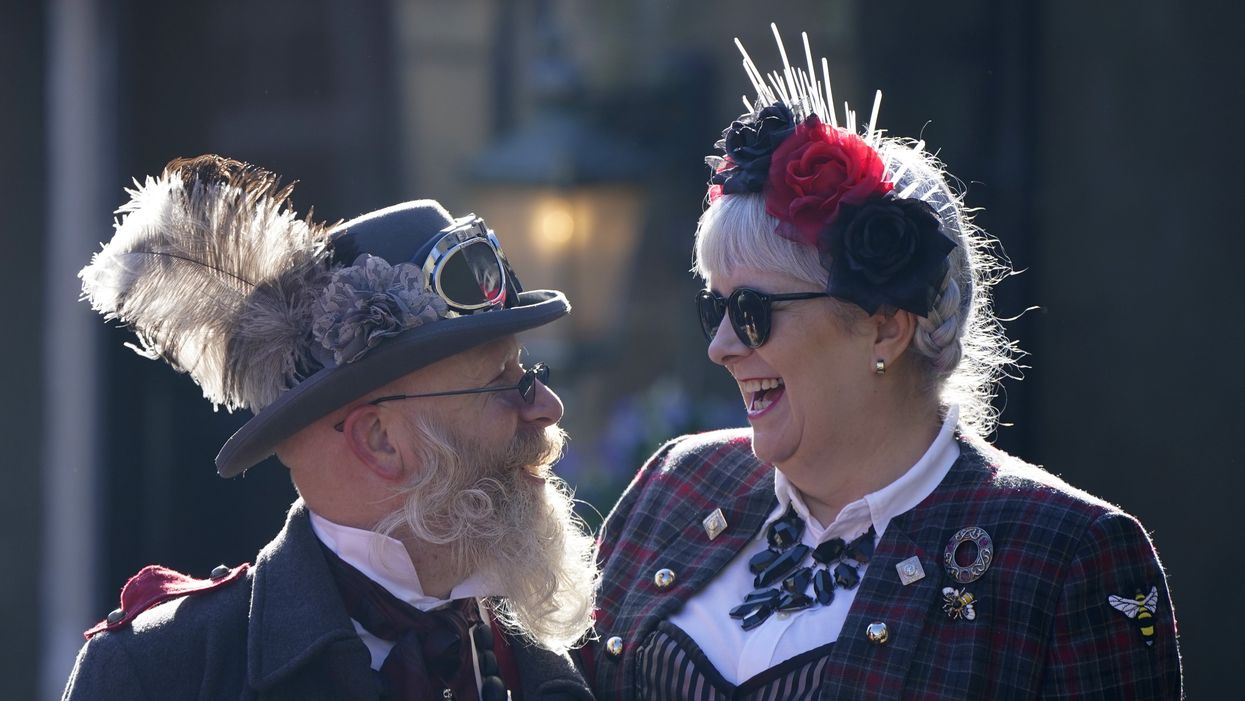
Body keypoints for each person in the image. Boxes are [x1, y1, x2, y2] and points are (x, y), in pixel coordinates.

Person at [587, 30, 1183, 700]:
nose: (721, 345)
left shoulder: (1067, 555)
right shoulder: (678, 485)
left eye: (752, 311)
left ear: (885, 327)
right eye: (713, 308)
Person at [63, 155, 598, 700]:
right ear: (380, 441)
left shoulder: (578, 649)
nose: (547, 407)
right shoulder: (161, 675)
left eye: (528, 372)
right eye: (501, 383)